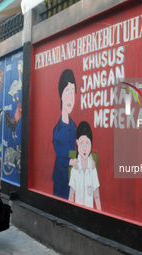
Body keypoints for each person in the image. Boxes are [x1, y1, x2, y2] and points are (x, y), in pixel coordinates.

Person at [52, 69, 78, 199]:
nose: (70, 97)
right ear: (61, 95)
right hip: (61, 182)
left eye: (73, 92)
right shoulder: (57, 130)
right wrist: (72, 162)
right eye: (67, 91)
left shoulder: (74, 127)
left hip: (72, 181)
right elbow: (62, 156)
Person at [68, 121, 101, 210]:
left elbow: (96, 196)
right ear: (77, 143)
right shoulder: (74, 169)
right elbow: (71, 196)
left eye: (87, 144)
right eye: (82, 144)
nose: (85, 148)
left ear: (91, 145)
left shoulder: (93, 169)